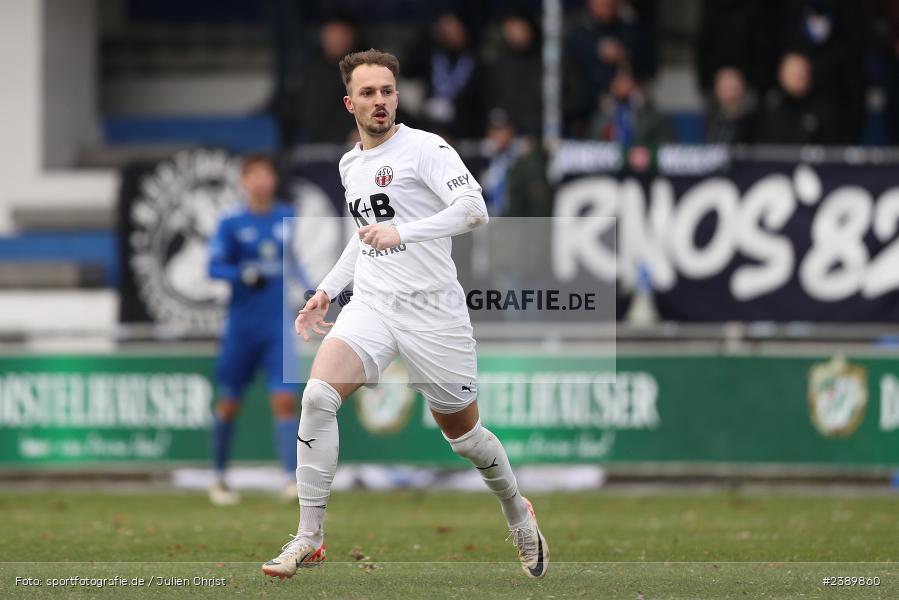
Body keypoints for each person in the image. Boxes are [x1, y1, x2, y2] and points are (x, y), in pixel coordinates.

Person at [261, 49, 549, 579]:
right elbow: (365, 235)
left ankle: (516, 509)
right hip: (372, 304)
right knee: (317, 397)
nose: (379, 101)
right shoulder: (352, 163)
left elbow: (474, 210)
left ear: (397, 96)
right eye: (368, 93)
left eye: (387, 91)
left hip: (433, 312)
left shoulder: (425, 148)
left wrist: (404, 232)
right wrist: (327, 289)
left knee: (465, 438)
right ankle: (309, 537)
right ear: (350, 103)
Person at [207, 154, 304, 505]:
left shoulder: (284, 217)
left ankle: (290, 479)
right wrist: (240, 274)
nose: (262, 181)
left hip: (276, 327)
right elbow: (213, 267)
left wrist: (313, 293)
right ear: (244, 181)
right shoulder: (231, 222)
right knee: (230, 402)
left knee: (284, 399)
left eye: (267, 174)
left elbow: (294, 264)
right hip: (242, 328)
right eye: (255, 175)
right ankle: (218, 477)